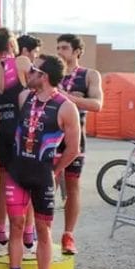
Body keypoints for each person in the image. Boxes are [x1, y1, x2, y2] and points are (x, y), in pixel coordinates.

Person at [0, 54, 80, 269]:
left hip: (42, 175)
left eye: (34, 70)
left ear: (44, 76)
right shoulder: (25, 97)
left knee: (44, 231)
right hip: (17, 171)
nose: (29, 73)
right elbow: (22, 64)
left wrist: (55, 171)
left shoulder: (67, 107)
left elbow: (73, 149)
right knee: (16, 225)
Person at [0, 28, 31, 258]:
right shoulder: (22, 62)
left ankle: (1, 235)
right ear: (12, 42)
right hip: (22, 131)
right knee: (27, 184)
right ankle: (28, 238)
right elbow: (34, 94)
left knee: (3, 185)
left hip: (2, 130)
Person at [55, 34, 102, 255]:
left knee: (73, 188)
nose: (60, 52)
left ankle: (68, 236)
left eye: (64, 48)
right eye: (58, 48)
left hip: (75, 140)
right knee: (46, 187)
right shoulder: (52, 73)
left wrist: (68, 98)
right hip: (51, 139)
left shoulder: (89, 75)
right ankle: (36, 235)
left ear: (76, 52)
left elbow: (97, 104)